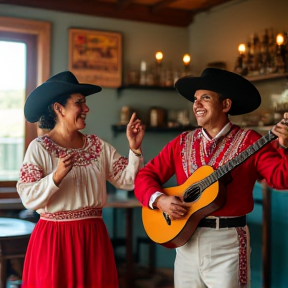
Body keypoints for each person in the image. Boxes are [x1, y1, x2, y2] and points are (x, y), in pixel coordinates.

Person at [134, 67, 288, 288]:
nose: (196, 104)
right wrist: (159, 200)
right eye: (195, 99)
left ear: (225, 105)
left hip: (227, 244)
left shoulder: (250, 141)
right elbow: (145, 176)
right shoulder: (182, 142)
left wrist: (285, 147)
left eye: (205, 98)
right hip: (185, 243)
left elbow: (281, 178)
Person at [16, 71, 145, 288]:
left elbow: (127, 180)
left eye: (85, 103)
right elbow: (28, 197)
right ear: (59, 108)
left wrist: (134, 148)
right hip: (55, 240)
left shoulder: (98, 146)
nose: (86, 109)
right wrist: (56, 177)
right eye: (79, 103)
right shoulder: (39, 148)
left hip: (94, 238)